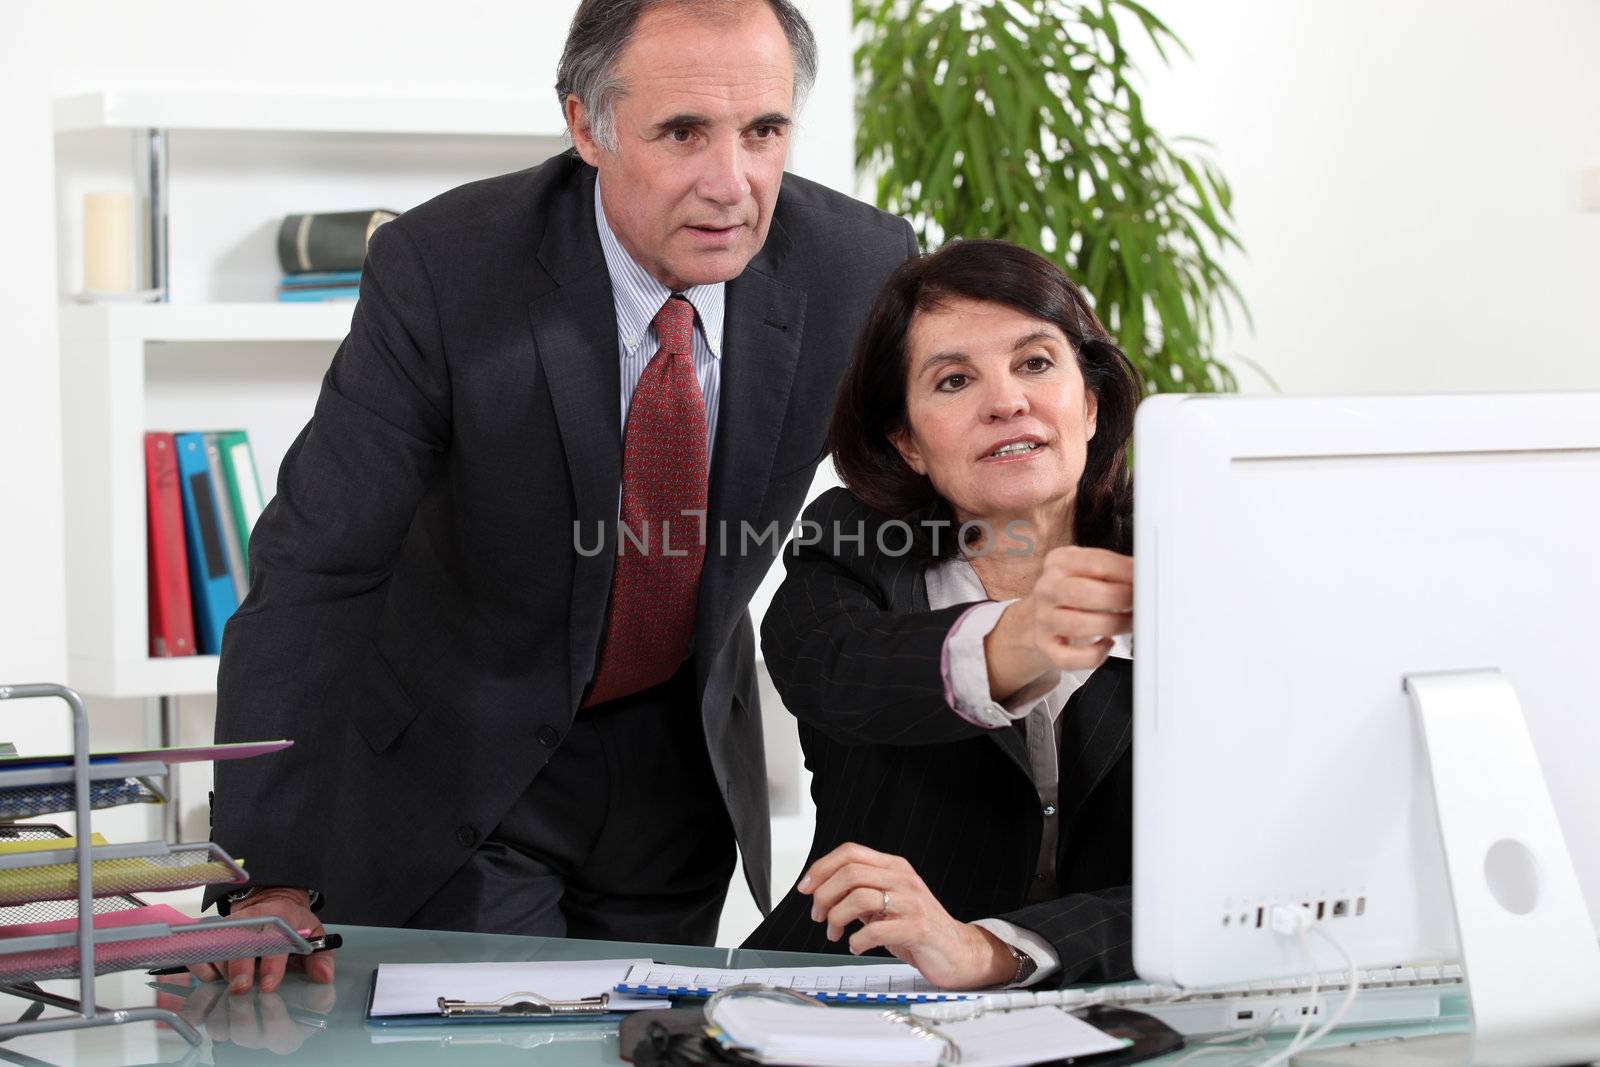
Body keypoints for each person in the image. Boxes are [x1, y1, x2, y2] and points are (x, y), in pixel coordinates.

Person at [199, 0, 918, 993]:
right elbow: (320, 564)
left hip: (676, 762)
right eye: (682, 133)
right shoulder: (447, 269)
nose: (733, 183)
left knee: (654, 1035)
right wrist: (263, 867)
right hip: (465, 758)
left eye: (764, 131)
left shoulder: (858, 266)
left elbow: (918, 511)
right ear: (587, 125)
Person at [744, 239, 1141, 989]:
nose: (1006, 401)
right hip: (850, 996)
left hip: (1111, 1002)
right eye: (955, 380)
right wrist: (1021, 634)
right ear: (908, 442)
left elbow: (1219, 883)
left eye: (1035, 362)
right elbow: (835, 668)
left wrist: (996, 951)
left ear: (1088, 404)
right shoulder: (850, 545)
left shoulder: (1184, 560)